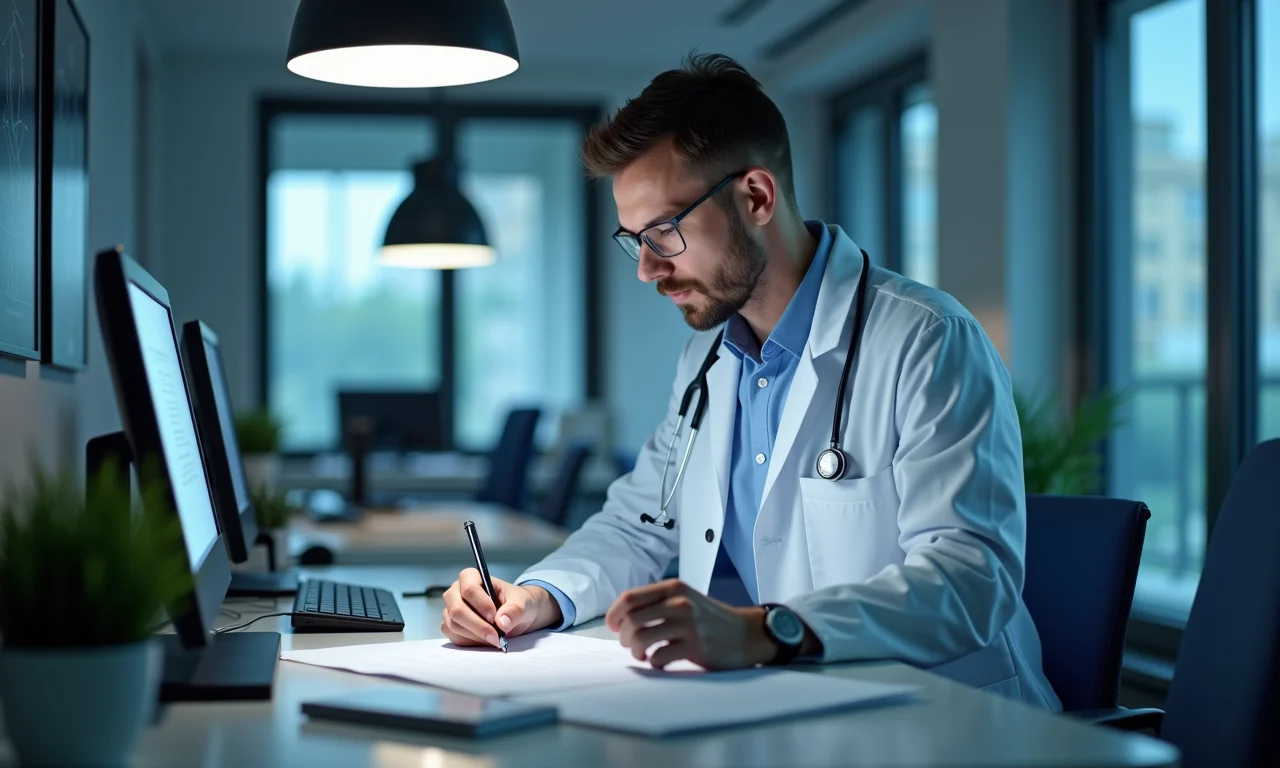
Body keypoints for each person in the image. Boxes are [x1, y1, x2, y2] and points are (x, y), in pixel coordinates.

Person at [440, 52, 1060, 710]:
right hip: (780, 710)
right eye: (634, 240)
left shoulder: (927, 339)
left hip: (946, 720)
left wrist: (767, 630)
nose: (647, 270)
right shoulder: (708, 360)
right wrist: (539, 597)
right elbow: (640, 525)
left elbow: (970, 581)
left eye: (665, 232)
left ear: (757, 196)